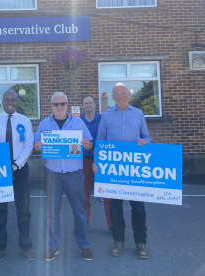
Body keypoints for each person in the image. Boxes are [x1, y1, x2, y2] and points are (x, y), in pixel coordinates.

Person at [93, 83, 151, 259]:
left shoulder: (138, 114)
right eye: (117, 94)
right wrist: (97, 161)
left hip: (134, 169)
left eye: (124, 93)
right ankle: (118, 241)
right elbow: (100, 141)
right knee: (115, 207)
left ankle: (141, 242)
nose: (121, 96)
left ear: (129, 95)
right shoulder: (106, 115)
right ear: (112, 97)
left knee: (138, 207)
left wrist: (144, 142)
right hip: (113, 169)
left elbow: (146, 137)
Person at [34, 91, 93, 262]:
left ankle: (84, 244)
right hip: (52, 172)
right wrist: (38, 146)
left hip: (74, 172)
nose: (59, 107)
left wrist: (86, 144)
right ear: (51, 106)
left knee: (79, 211)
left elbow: (89, 144)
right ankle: (53, 246)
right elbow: (37, 145)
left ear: (67, 105)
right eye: (55, 104)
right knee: (52, 212)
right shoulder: (44, 123)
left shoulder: (78, 122)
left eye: (62, 104)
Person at [0, 90, 34, 262]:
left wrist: (15, 165)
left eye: (13, 100)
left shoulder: (25, 121)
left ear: (18, 101)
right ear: (2, 102)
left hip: (20, 168)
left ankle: (26, 246)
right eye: (7, 99)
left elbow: (29, 145)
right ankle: (0, 247)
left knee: (23, 209)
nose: (10, 102)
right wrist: (0, 167)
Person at [80, 95, 112, 232]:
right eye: (85, 103)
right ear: (82, 106)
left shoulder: (103, 119)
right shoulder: (77, 121)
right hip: (84, 161)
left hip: (102, 161)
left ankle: (112, 225)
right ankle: (84, 224)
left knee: (108, 196)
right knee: (84, 196)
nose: (88, 105)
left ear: (95, 105)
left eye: (90, 102)